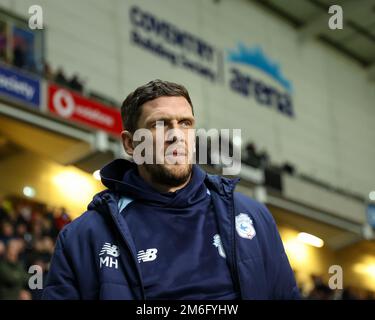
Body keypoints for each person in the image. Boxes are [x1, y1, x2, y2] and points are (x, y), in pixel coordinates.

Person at [42, 80, 299, 300]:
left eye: (185, 123)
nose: (176, 135)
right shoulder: (83, 237)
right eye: (160, 124)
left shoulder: (252, 217)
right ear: (131, 144)